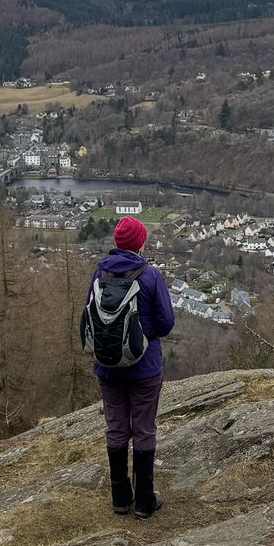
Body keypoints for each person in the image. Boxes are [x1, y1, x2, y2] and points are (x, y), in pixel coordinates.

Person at [83, 214, 176, 517]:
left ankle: (121, 498)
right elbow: (165, 324)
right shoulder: (149, 275)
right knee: (144, 429)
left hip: (108, 366)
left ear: (116, 242)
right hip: (145, 367)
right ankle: (145, 501)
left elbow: (89, 319)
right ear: (140, 242)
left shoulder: (100, 272)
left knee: (116, 427)